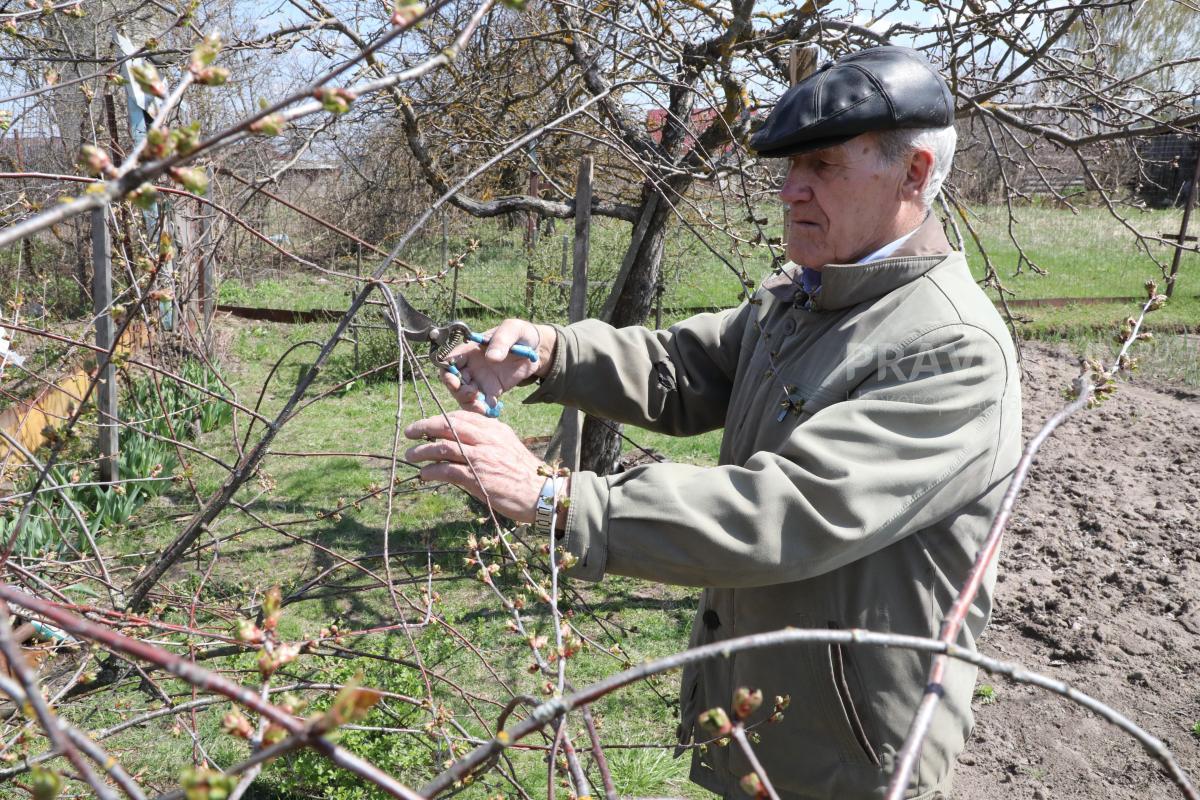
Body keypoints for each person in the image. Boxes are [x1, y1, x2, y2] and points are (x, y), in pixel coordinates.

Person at [405, 45, 1021, 800]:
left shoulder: (949, 348)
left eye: (822, 166)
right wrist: (551, 353)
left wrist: (554, 497)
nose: (790, 189)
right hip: (762, 719)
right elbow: (681, 369)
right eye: (788, 167)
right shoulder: (806, 297)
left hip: (852, 758)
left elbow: (787, 512)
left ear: (915, 173)